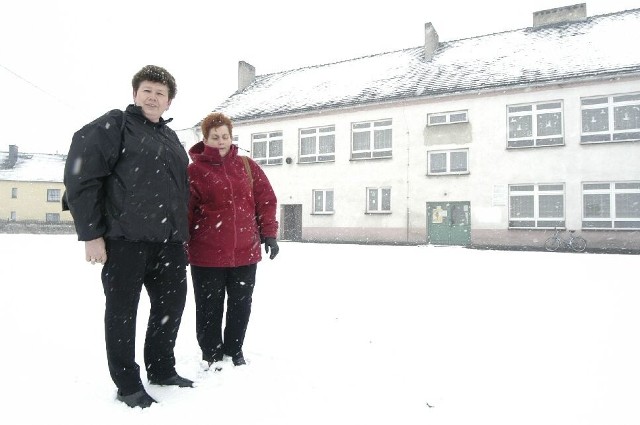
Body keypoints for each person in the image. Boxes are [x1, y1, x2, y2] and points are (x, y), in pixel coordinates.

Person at [63, 65, 193, 409]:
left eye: (160, 93)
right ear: (136, 93)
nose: (153, 97)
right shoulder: (115, 125)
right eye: (147, 90)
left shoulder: (170, 136)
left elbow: (179, 189)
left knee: (171, 306)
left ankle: (162, 368)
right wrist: (91, 233)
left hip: (168, 240)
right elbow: (82, 177)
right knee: (122, 313)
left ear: (169, 102)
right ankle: (128, 384)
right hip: (125, 240)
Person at [187, 112, 279, 370]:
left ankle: (234, 348)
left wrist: (269, 233)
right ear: (205, 138)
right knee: (209, 307)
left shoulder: (247, 165)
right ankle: (211, 353)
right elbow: (186, 210)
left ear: (231, 136)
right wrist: (181, 245)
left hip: (245, 252)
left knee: (241, 305)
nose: (221, 141)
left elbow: (266, 201)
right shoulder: (195, 171)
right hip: (206, 254)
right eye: (215, 137)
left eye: (225, 136)